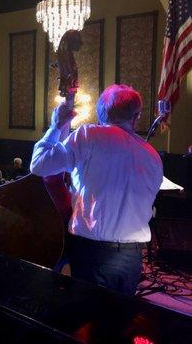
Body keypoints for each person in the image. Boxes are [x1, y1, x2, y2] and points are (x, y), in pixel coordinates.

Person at [30, 84, 163, 296]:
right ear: (136, 116)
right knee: (121, 320)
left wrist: (56, 125)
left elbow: (40, 165)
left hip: (93, 253)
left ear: (100, 113)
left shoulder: (88, 136)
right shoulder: (152, 155)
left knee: (89, 318)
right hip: (133, 257)